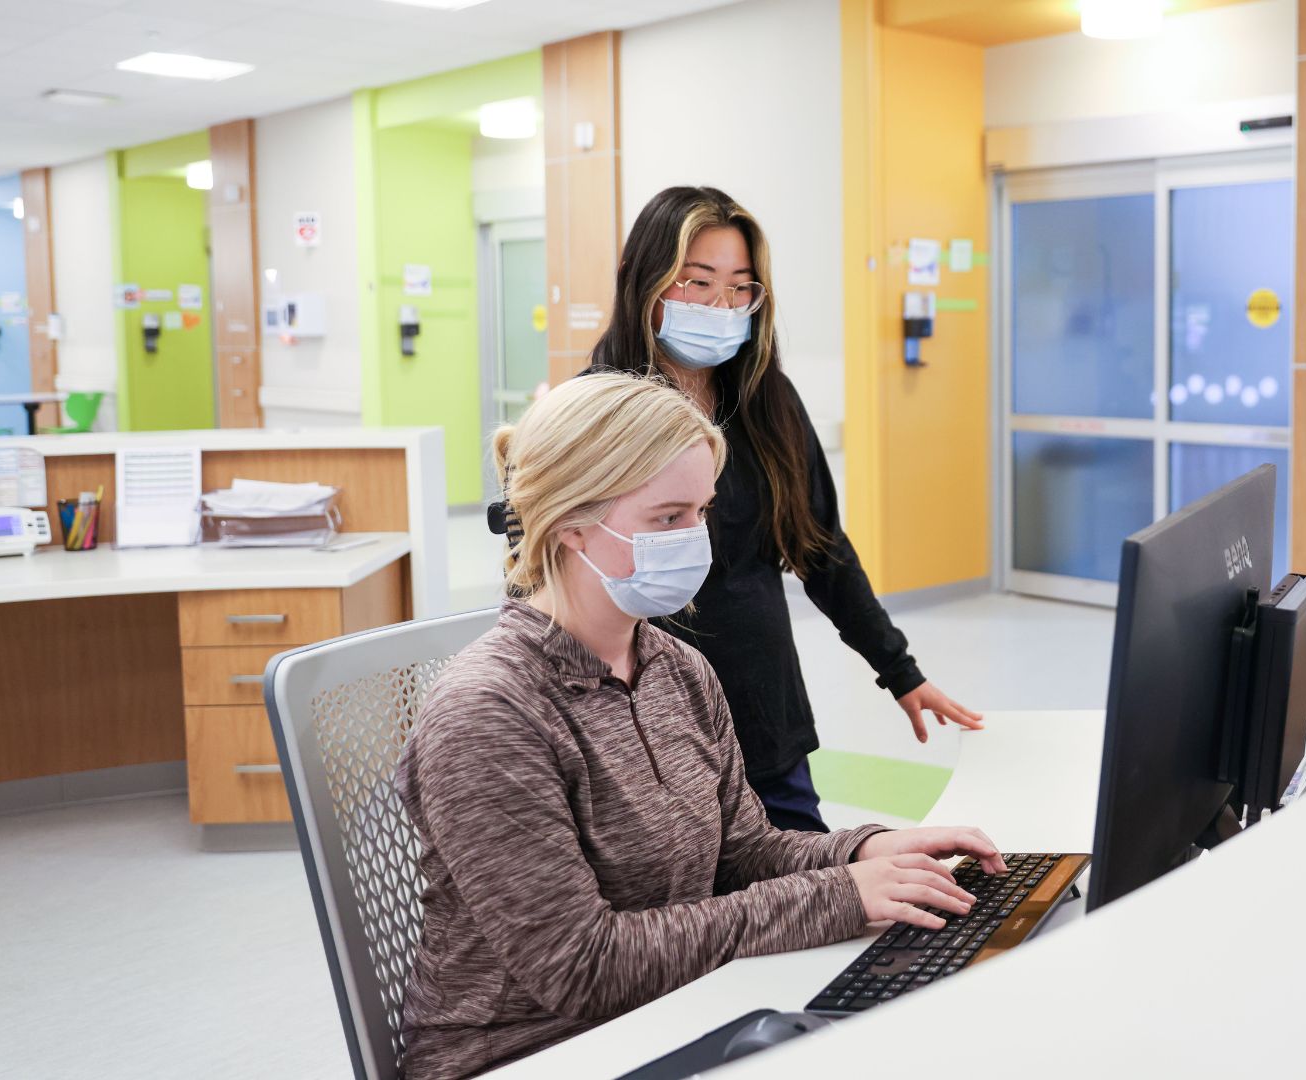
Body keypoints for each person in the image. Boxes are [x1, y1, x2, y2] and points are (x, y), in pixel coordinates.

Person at [399, 372, 1005, 1080]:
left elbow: (744, 854)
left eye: (701, 512)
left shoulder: (675, 668)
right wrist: (840, 897)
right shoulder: (489, 712)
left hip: (669, 1012)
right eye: (666, 518)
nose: (696, 540)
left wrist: (870, 851)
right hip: (533, 1053)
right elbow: (579, 966)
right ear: (569, 524)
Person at [500, 184, 981, 832]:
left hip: (761, 712)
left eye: (739, 287)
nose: (720, 305)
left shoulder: (766, 402)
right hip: (640, 721)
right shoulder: (596, 411)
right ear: (645, 281)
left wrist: (898, 669)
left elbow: (821, 549)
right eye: (697, 283)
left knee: (805, 886)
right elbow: (536, 571)